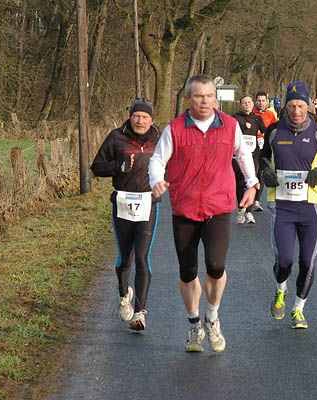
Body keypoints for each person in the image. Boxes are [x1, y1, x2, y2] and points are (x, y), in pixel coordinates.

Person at [148, 75, 259, 352]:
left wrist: (252, 184)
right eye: (199, 96)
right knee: (187, 272)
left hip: (218, 207)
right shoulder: (175, 129)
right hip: (185, 208)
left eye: (210, 96)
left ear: (215, 99)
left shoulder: (229, 125)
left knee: (216, 266)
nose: (205, 101)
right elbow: (158, 159)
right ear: (188, 99)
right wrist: (156, 180)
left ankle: (212, 315)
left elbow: (243, 155)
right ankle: (193, 323)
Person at [260, 81, 317, 329]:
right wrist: (265, 172)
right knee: (284, 261)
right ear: (286, 106)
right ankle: (280, 288)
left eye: (301, 106)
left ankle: (298, 308)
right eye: (292, 106)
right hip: (281, 206)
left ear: (308, 106)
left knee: (308, 262)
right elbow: (262, 159)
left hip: (308, 208)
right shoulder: (274, 131)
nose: (296, 111)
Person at [90, 98, 161, 332]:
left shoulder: (160, 139)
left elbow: (173, 165)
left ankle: (140, 312)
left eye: (145, 117)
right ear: (130, 117)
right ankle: (123, 295)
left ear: (151, 120)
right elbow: (96, 167)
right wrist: (117, 166)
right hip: (122, 203)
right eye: (136, 116)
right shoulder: (116, 137)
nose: (140, 121)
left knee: (142, 256)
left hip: (148, 203)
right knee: (125, 258)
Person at [232, 94, 266, 224]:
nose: (247, 104)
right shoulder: (235, 118)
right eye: (244, 102)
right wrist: (242, 126)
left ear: (253, 104)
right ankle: (241, 208)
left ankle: (249, 213)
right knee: (240, 182)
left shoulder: (257, 118)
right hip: (238, 156)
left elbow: (265, 131)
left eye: (249, 102)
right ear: (240, 105)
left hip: (254, 155)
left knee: (252, 181)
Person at [253, 91, 279, 212]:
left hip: (265, 146)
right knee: (252, 172)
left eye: (263, 101)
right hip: (252, 147)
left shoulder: (270, 114)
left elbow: (275, 130)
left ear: (267, 102)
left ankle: (257, 201)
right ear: (255, 101)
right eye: (259, 100)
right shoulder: (251, 113)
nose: (261, 103)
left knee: (262, 172)